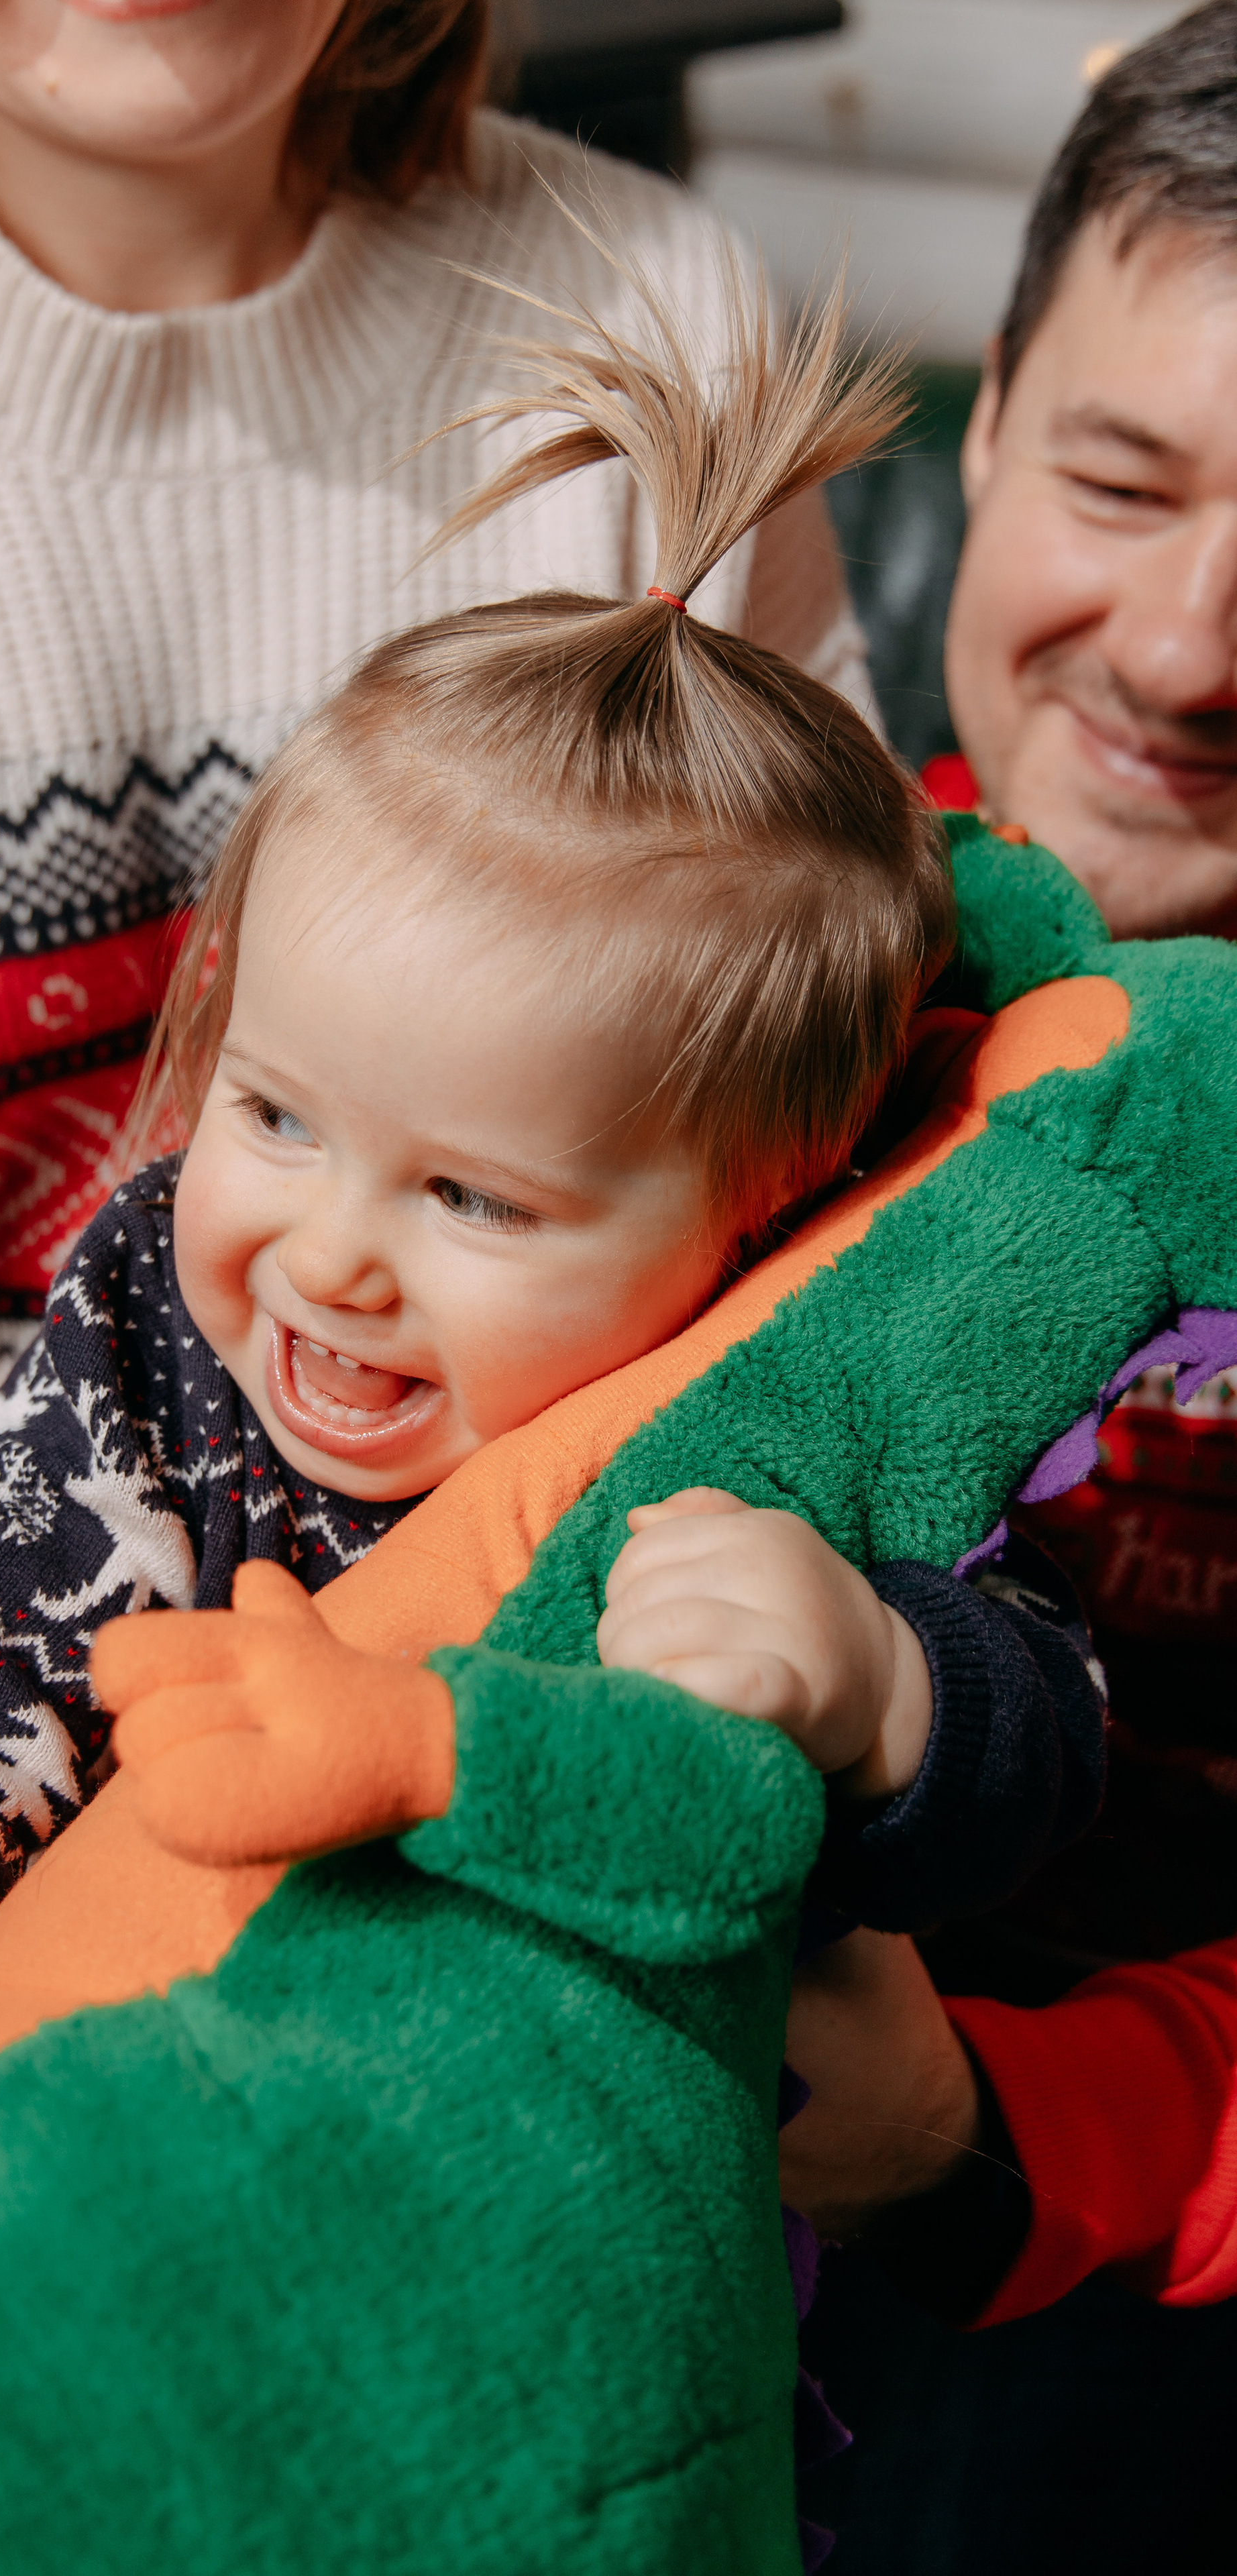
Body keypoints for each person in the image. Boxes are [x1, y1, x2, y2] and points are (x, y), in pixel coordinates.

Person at [0, 0, 873, 2465]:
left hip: (484, 1655)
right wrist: (66, 1725)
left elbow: (825, 1184)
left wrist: (460, 1709)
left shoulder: (652, 323)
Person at [0, 270, 1108, 2460]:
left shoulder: (787, 1409)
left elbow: (1056, 1723)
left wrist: (889, 1683)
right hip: (144, 2164)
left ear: (765, 1200)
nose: (327, 1253)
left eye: (476, 1201)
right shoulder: (168, 1336)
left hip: (586, 2310)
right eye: (277, 1113)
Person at [782, 9, 1237, 2567]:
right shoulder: (727, 945)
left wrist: (985, 2140)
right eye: (1116, 478)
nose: (1183, 653)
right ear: (978, 431)